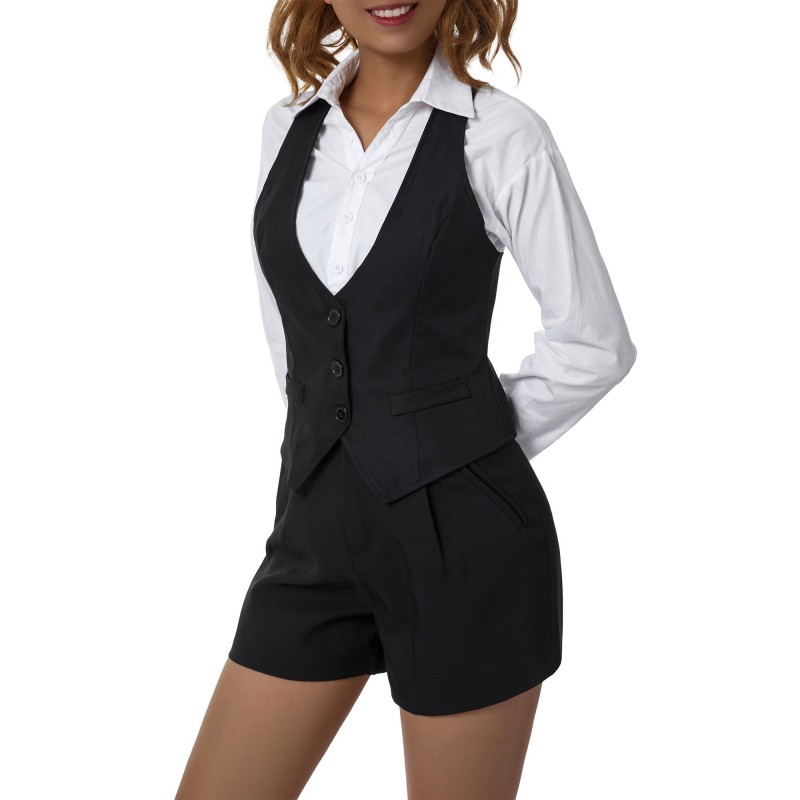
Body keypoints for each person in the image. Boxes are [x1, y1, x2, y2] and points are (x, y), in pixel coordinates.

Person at [176, 1, 637, 797]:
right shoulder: (285, 129)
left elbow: (595, 343)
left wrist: (456, 445)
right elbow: (292, 345)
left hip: (467, 546)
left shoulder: (501, 136)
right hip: (313, 531)